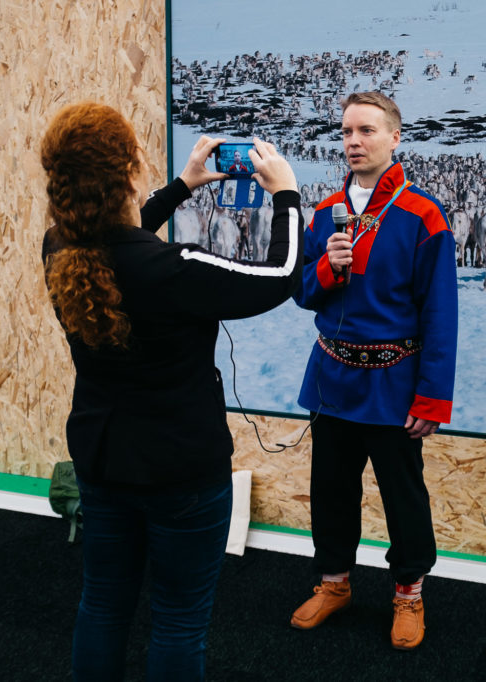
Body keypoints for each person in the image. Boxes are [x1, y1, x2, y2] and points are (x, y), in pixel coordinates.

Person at [40, 101, 303, 681]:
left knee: (103, 605)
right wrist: (286, 194)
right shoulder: (173, 270)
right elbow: (281, 275)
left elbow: (119, 238)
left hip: (103, 461)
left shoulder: (58, 248)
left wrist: (183, 186)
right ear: (128, 173)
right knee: (179, 621)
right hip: (182, 469)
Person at [290, 91, 458, 650]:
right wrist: (327, 268)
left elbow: (440, 314)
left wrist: (431, 398)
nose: (354, 142)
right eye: (346, 133)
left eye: (366, 131)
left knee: (403, 497)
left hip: (395, 384)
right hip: (334, 380)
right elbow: (304, 295)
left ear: (394, 138)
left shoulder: (423, 216)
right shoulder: (324, 215)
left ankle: (408, 594)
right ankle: (334, 584)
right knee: (331, 490)